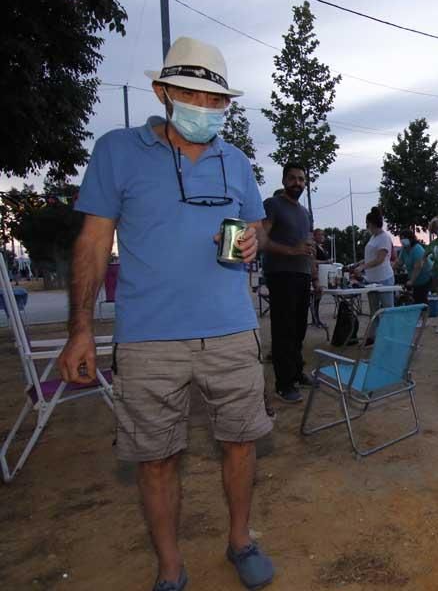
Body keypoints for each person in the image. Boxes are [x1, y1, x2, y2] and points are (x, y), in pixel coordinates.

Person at [58, 37, 276, 591]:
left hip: (231, 331)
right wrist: (80, 331)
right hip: (148, 338)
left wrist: (253, 238)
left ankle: (240, 539)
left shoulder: (238, 161)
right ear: (162, 92)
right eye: (192, 95)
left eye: (216, 100)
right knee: (154, 457)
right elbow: (91, 242)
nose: (205, 108)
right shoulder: (117, 152)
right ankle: (171, 565)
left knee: (241, 442)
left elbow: (258, 225)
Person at [261, 165, 316, 403]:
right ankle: (284, 384)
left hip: (302, 275)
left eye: (302, 179)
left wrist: (314, 275)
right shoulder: (272, 204)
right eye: (293, 178)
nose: (298, 183)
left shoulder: (305, 213)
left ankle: (296, 372)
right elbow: (261, 240)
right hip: (281, 274)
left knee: (299, 329)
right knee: (283, 330)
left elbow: (309, 244)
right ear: (284, 180)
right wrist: (292, 250)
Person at [353, 207, 394, 343]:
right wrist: (359, 263)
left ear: (371, 223)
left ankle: (390, 336)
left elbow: (380, 259)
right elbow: (371, 256)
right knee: (374, 310)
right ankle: (372, 336)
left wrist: (363, 267)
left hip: (384, 278)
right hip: (372, 279)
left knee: (388, 310)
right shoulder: (373, 237)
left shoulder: (384, 238)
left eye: (367, 223)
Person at [397, 229, 433, 305]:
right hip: (415, 278)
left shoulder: (417, 249)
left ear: (410, 238)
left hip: (425, 277)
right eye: (401, 238)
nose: (402, 240)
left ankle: (424, 316)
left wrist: (411, 281)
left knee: (421, 300)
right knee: (416, 299)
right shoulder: (404, 249)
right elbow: (399, 262)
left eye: (404, 238)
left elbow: (418, 267)